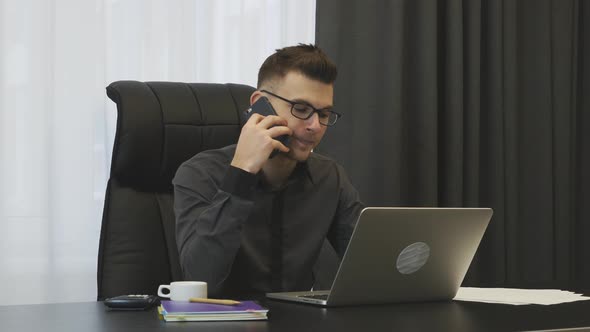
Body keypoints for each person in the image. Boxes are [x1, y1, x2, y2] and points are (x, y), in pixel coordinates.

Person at [173, 44, 364, 298]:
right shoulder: (198, 174)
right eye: (301, 109)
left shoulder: (330, 178)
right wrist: (242, 173)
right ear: (260, 104)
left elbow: (370, 266)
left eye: (324, 113)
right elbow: (201, 279)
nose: (315, 126)